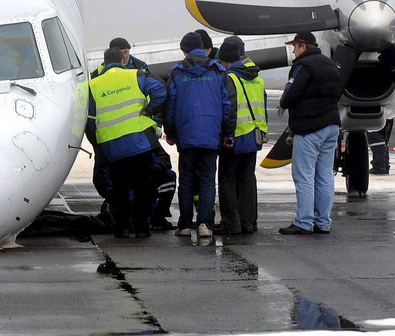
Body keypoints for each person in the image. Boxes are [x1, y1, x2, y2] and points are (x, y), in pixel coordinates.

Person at [86, 47, 167, 238]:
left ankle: (122, 228)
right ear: (123, 61)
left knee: (119, 189)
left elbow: (89, 120)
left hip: (113, 146)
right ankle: (141, 229)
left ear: (104, 64)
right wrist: (149, 109)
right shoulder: (136, 75)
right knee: (142, 187)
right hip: (139, 143)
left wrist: (98, 146)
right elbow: (161, 90)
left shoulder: (93, 85)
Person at [164, 31, 233, 240]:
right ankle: (205, 224)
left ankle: (185, 225)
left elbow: (170, 106)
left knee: (186, 180)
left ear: (184, 50)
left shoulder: (177, 72)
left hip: (186, 136)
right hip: (212, 135)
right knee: (207, 180)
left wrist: (170, 132)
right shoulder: (218, 70)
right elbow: (227, 103)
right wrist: (227, 132)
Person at [277, 31, 343, 235]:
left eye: (295, 47)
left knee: (304, 175)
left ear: (302, 46)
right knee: (324, 175)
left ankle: (304, 221)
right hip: (331, 126)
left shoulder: (303, 66)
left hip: (309, 128)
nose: (294, 51)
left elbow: (292, 94)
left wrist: (283, 103)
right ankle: (323, 222)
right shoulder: (331, 65)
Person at [216, 36, 266, 235]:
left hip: (235, 135)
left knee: (227, 179)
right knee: (247, 179)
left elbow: (230, 109)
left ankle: (231, 223)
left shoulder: (230, 77)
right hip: (254, 135)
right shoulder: (257, 77)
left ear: (225, 59)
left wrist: (226, 134)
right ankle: (248, 222)